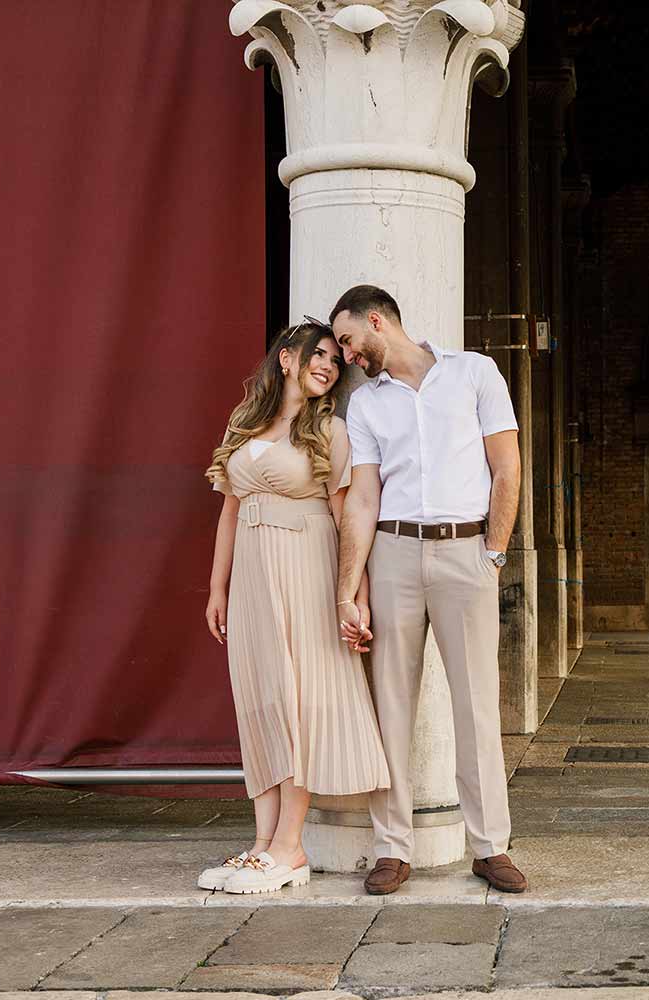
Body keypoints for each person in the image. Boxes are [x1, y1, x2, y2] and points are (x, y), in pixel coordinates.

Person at [330, 284, 527, 895]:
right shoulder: (364, 406)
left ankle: (490, 846)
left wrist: (493, 552)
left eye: (347, 339)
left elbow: (507, 466)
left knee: (476, 706)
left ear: (376, 320)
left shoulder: (475, 372)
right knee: (391, 705)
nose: (345, 355)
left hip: (466, 551)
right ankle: (392, 848)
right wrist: (348, 589)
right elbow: (362, 499)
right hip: (392, 553)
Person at [201, 320, 390, 894]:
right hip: (254, 579)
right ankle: (261, 844)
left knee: (296, 701)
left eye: (337, 360)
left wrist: (355, 595)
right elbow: (229, 512)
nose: (329, 366)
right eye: (320, 354)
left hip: (306, 571)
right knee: (258, 697)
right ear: (287, 358)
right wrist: (217, 589)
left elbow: (346, 516)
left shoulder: (330, 432)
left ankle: (290, 846)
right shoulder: (245, 421)